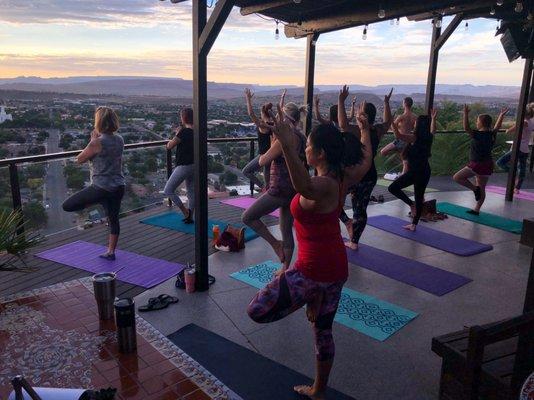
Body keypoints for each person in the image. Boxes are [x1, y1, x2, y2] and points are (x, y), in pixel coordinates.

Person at [247, 103, 372, 400]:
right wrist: (365, 129)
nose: (306, 150)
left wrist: (287, 146)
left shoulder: (324, 185)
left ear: (321, 154)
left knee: (256, 310)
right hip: (336, 269)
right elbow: (367, 157)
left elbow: (302, 184)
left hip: (312, 270)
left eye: (309, 147)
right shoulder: (346, 176)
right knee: (323, 331)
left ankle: (310, 297)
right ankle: (319, 390)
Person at [242, 101, 307, 269]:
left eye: (279, 116)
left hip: (279, 188)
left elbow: (263, 160)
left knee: (248, 217)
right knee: (286, 231)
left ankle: (275, 244)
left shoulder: (284, 138)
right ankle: (285, 269)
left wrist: (273, 142)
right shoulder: (301, 136)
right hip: (294, 189)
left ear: (285, 118)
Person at [62, 106, 125, 260]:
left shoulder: (97, 143)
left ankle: (96, 201)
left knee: (67, 205)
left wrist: (91, 141)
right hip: (118, 186)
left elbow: (79, 159)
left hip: (101, 188)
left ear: (99, 122)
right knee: (113, 219)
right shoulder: (120, 139)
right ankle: (111, 252)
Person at [338, 86, 393, 246]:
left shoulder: (357, 130)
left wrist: (341, 101)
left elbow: (342, 124)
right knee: (359, 209)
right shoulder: (377, 130)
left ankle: (351, 232)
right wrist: (387, 103)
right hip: (369, 174)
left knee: (337, 202)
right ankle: (354, 239)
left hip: (354, 175)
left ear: (363, 116)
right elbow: (388, 122)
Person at [388, 109, 438, 231]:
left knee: (392, 188)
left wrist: (392, 122)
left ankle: (411, 205)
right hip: (425, 171)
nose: (414, 124)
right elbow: (433, 130)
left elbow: (398, 136)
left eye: (416, 122)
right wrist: (433, 118)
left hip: (415, 172)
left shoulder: (414, 138)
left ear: (418, 125)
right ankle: (414, 224)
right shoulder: (428, 138)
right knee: (419, 196)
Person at [453, 105, 508, 215]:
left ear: (481, 123)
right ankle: (476, 209)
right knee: (482, 187)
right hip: (488, 164)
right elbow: (497, 127)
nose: (476, 123)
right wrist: (501, 116)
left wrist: (466, 114)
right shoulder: (491, 134)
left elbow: (466, 128)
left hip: (477, 164)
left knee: (457, 177)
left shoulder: (477, 134)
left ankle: (474, 189)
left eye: (477, 121)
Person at [242, 88, 279, 192]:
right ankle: (266, 190)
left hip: (264, 155)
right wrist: (282, 98)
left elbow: (251, 114)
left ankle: (263, 188)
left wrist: (248, 99)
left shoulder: (263, 126)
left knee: (246, 171)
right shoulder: (274, 124)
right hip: (272, 154)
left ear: (263, 113)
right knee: (267, 176)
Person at [163, 107, 195, 223]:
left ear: (184, 118)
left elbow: (170, 146)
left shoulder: (183, 132)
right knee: (191, 191)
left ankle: (185, 211)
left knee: (168, 190)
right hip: (194, 165)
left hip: (184, 165)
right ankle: (190, 216)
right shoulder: (197, 131)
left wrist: (176, 134)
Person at [496, 103, 532, 193]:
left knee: (500, 162)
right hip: (525, 149)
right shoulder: (531, 122)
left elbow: (508, 131)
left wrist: (510, 128)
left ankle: (513, 172)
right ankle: (517, 188)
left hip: (518, 148)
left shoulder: (523, 122)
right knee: (522, 168)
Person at [380, 96, 417, 176]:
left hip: (400, 140)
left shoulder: (401, 117)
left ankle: (397, 151)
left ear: (404, 104)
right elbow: (416, 130)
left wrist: (397, 126)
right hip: (408, 141)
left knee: (383, 152)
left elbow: (392, 127)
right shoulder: (415, 117)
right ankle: (402, 178)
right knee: (405, 162)